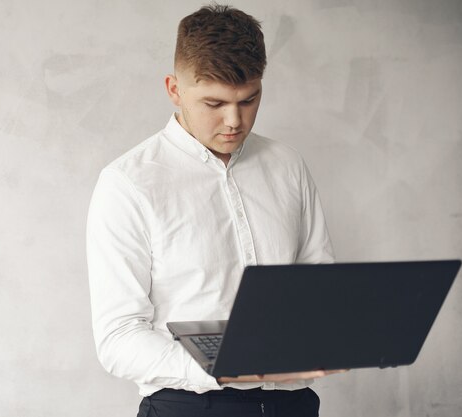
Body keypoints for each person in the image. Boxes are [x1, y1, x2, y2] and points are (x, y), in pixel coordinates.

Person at [87, 4, 343, 416]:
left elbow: (319, 285)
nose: (234, 121)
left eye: (249, 100)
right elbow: (118, 337)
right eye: (214, 103)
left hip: (292, 404)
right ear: (174, 89)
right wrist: (223, 369)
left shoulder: (287, 166)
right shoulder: (128, 183)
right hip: (189, 405)